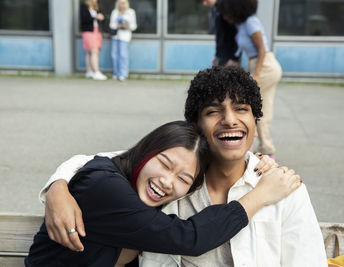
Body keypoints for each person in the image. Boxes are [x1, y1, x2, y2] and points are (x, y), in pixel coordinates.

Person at [26, 120, 301, 267]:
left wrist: (255, 164)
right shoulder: (104, 187)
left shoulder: (130, 180)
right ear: (146, 151)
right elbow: (188, 237)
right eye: (165, 164)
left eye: (183, 178)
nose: (167, 182)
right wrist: (260, 195)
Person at [140, 66, 327, 266]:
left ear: (256, 126)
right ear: (194, 128)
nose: (229, 120)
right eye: (213, 111)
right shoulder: (170, 188)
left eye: (241, 109)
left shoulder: (286, 189)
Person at [218, 0, 282, 157]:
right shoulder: (241, 25)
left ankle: (251, 146)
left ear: (235, 9)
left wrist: (257, 74)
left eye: (226, 13)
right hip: (257, 65)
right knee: (262, 108)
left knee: (248, 105)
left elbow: (262, 50)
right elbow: (241, 49)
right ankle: (266, 148)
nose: (225, 17)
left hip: (265, 65)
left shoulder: (251, 22)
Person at [196, 0, 239, 67]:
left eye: (205, 0)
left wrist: (234, 58)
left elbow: (235, 34)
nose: (204, 4)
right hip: (220, 54)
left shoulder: (225, 7)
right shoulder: (214, 10)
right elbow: (219, 36)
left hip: (230, 55)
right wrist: (217, 55)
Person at [109, 0, 137, 81]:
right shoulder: (115, 12)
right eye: (120, 2)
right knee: (114, 55)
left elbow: (134, 26)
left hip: (125, 37)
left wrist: (127, 26)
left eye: (123, 2)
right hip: (116, 36)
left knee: (123, 55)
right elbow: (111, 25)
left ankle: (123, 74)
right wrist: (117, 26)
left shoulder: (131, 12)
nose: (122, 4)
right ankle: (116, 73)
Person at [80, 0, 108, 80]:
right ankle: (96, 72)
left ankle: (89, 71)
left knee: (90, 52)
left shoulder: (97, 8)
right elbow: (84, 19)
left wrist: (102, 18)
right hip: (88, 31)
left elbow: (103, 19)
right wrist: (95, 17)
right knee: (94, 51)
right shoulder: (84, 6)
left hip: (96, 31)